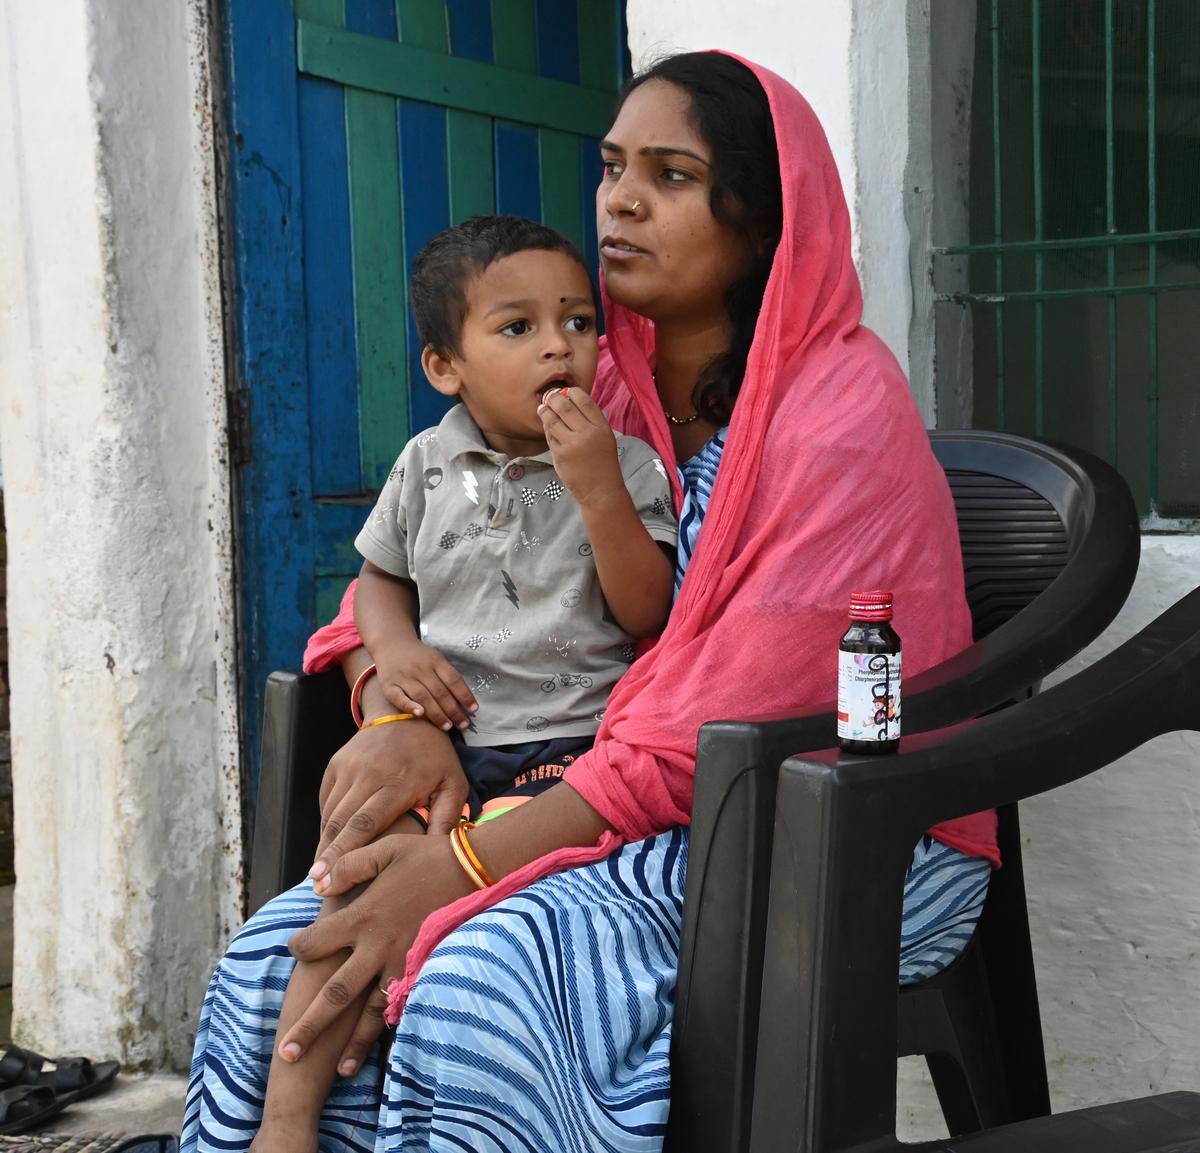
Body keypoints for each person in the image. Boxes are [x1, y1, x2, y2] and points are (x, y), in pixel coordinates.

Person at [183, 51, 998, 1153]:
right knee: (272, 961)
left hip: (825, 826)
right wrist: (397, 712)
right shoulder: (590, 383)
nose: (619, 200)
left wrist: (461, 868)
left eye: (671, 175)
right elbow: (401, 579)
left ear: (764, 220)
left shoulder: (837, 416)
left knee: (479, 982)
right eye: (613, 167)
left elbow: (729, 718)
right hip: (579, 794)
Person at [251, 215, 678, 1153]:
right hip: (447, 752)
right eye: (518, 327)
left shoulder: (628, 463)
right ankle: (285, 1123)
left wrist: (598, 488)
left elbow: (646, 606)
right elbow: (379, 580)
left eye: (577, 321)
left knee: (466, 912)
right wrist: (394, 651)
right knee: (351, 898)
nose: (559, 346)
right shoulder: (425, 465)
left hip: (566, 758)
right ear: (446, 366)